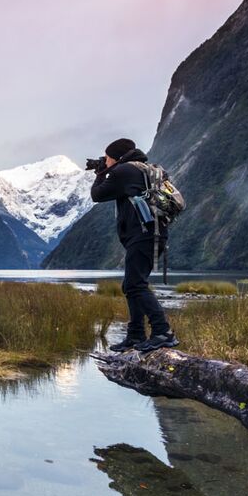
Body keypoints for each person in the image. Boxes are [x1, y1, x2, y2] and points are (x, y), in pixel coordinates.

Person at [91, 138, 178, 352]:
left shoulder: (124, 172)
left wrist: (100, 173)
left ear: (117, 157)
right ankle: (136, 335)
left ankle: (162, 332)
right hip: (154, 233)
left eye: (108, 157)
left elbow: (97, 195)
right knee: (133, 285)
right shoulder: (146, 169)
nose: (106, 160)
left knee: (134, 285)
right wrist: (106, 169)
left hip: (143, 235)